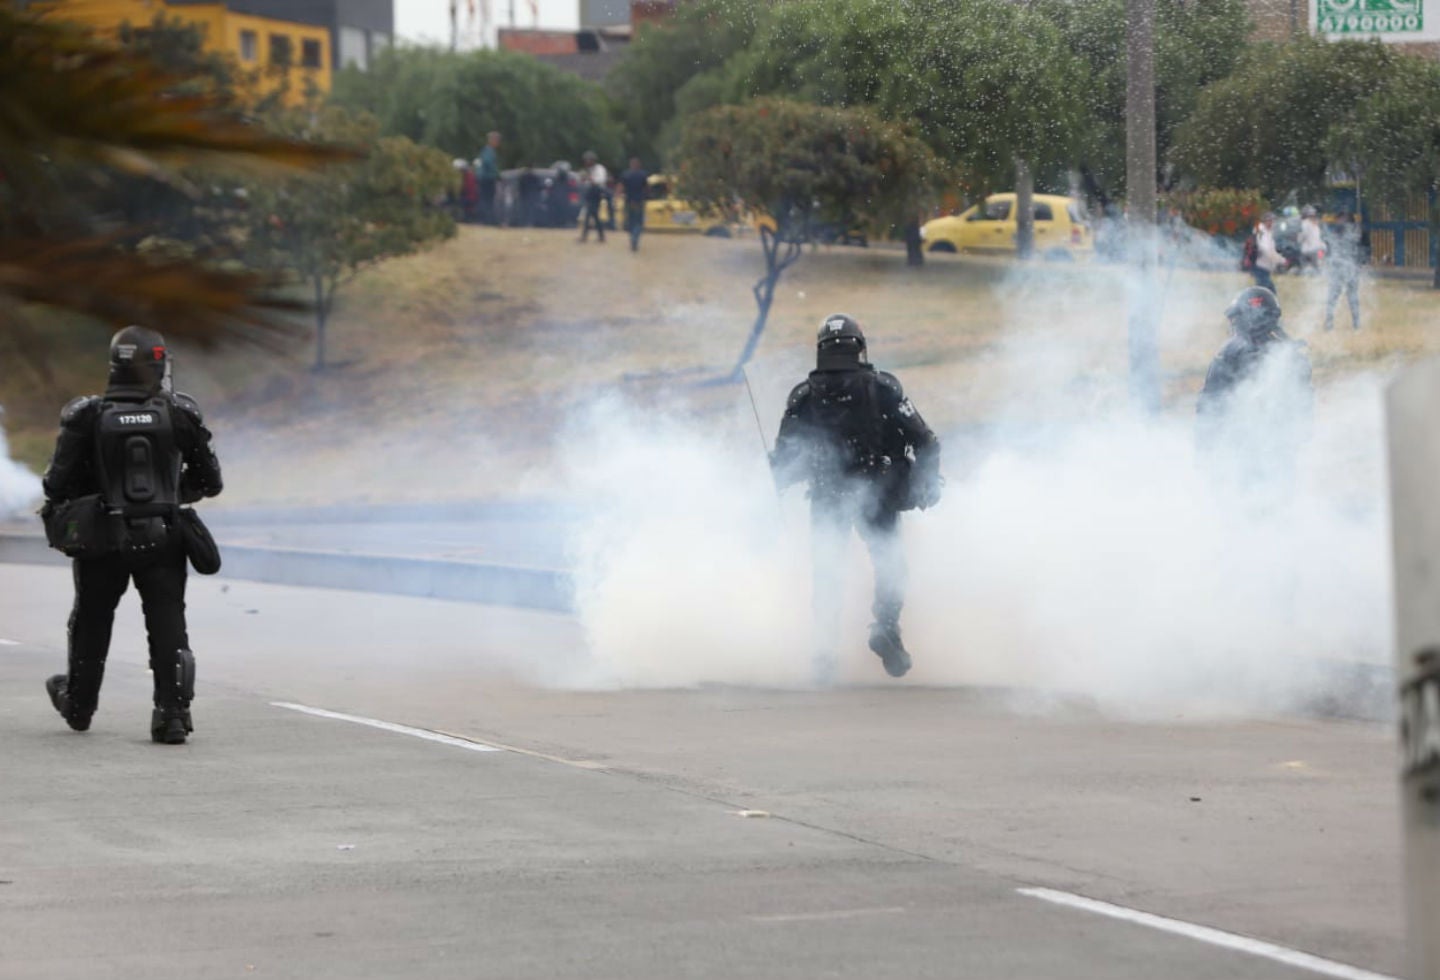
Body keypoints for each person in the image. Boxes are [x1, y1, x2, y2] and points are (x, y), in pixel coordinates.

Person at [41, 326, 223, 744]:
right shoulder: (181, 412)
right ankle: (172, 715)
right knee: (168, 622)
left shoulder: (85, 415)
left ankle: (79, 706)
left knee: (90, 620)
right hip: (164, 535)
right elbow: (210, 481)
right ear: (159, 363)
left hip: (102, 539)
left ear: (114, 365)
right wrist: (172, 493)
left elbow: (55, 485)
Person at [771, 315, 943, 680]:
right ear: (859, 347)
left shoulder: (802, 396)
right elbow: (926, 440)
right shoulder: (883, 387)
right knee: (890, 563)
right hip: (877, 491)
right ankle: (886, 628)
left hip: (826, 495)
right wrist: (927, 483)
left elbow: (786, 458)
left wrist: (776, 476)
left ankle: (824, 654)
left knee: (827, 572)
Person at [1196, 287, 1312, 500]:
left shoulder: (1231, 351)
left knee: (1243, 508)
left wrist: (1205, 443)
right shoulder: (1291, 352)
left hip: (1242, 452)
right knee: (1278, 504)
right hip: (1280, 452)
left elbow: (1210, 403)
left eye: (1235, 319)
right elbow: (1304, 409)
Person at [1323, 212, 1364, 332]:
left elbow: (1359, 250)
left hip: (1349, 268)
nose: (1340, 223)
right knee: (1334, 297)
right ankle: (1330, 322)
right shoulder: (1341, 233)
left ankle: (1356, 323)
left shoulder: (1351, 234)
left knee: (1351, 298)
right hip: (1339, 268)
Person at [1249, 212, 1288, 293]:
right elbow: (1266, 250)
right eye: (1270, 221)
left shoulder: (1268, 233)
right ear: (1265, 222)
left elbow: (1271, 250)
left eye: (1272, 221)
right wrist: (1281, 260)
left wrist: (1281, 260)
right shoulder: (1261, 231)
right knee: (1266, 293)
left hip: (1265, 268)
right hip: (1260, 267)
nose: (1272, 223)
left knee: (1266, 292)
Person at [619, 157, 648, 252]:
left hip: (629, 202)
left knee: (630, 222)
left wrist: (617, 196)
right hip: (639, 202)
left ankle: (632, 239)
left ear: (631, 165)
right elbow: (646, 188)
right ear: (638, 165)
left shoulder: (626, 175)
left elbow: (621, 187)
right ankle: (635, 239)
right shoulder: (643, 175)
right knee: (638, 222)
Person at [578, 150, 608, 244]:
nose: (586, 162)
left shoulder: (599, 169)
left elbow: (600, 180)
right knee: (594, 215)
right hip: (590, 193)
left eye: (588, 160)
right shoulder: (589, 170)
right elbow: (586, 182)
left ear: (592, 160)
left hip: (597, 193)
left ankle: (584, 236)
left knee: (589, 214)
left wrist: (589, 178)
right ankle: (601, 236)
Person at [477, 131, 501, 226]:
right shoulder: (489, 151)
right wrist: (497, 175)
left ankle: (487, 219)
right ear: (492, 140)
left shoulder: (487, 151)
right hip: (487, 179)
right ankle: (487, 220)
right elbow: (489, 164)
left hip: (485, 179)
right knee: (487, 199)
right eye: (497, 140)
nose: (498, 142)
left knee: (486, 199)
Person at [1297, 205, 1325, 274]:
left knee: (1315, 266)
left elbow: (1303, 236)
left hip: (1310, 249)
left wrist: (1299, 238)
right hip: (1317, 249)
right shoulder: (1313, 224)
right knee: (1318, 265)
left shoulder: (1306, 223)